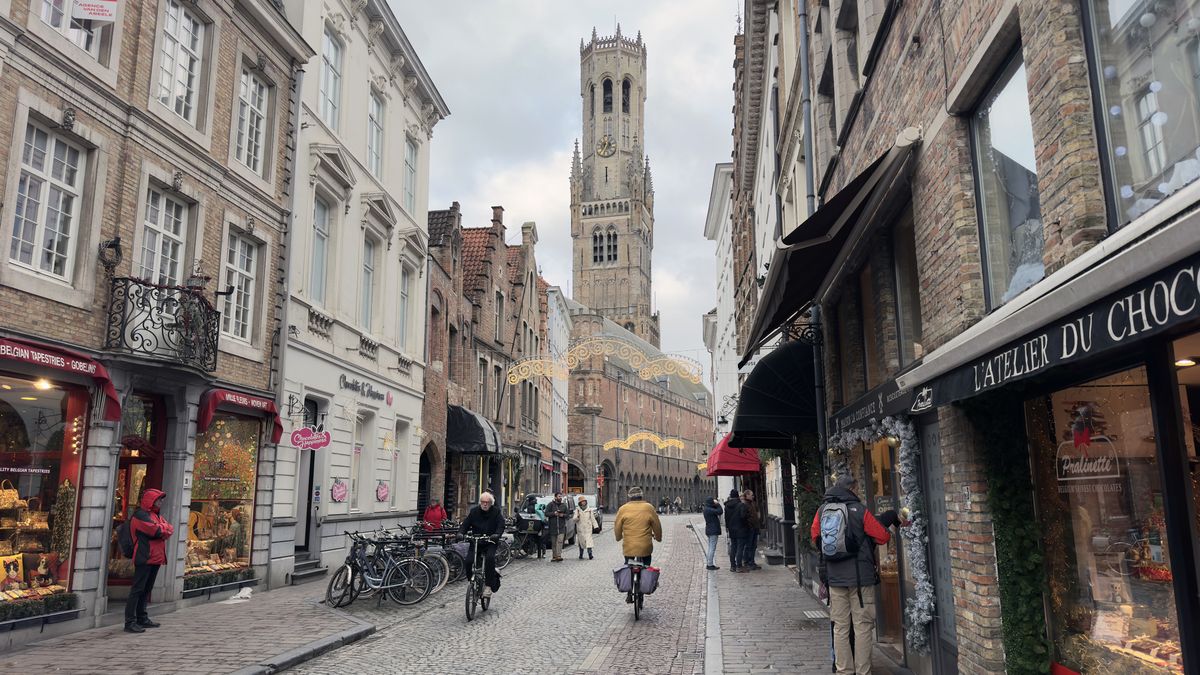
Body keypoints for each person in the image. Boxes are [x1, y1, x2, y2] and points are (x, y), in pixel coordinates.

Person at [810, 475, 901, 675]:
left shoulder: (822, 510)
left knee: (840, 627)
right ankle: (863, 671)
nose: (858, 491)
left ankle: (844, 671)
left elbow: (815, 537)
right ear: (851, 489)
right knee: (862, 627)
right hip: (860, 580)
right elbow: (882, 536)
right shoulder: (859, 510)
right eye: (857, 488)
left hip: (834, 578)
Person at [125, 488, 174, 633]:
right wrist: (163, 529)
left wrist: (163, 529)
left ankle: (142, 617)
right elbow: (157, 531)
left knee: (146, 589)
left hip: (156, 557)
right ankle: (130, 621)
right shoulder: (140, 515)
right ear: (151, 500)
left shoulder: (155, 515)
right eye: (159, 499)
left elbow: (169, 529)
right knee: (138, 589)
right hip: (144, 556)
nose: (161, 502)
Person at [613, 486, 662, 603]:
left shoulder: (623, 509)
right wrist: (658, 537)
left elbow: (617, 527)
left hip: (629, 546)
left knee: (628, 565)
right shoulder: (648, 508)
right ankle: (644, 585)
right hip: (645, 546)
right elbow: (657, 525)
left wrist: (619, 537)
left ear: (629, 497)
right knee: (645, 565)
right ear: (642, 496)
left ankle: (630, 592)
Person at [459, 490, 506, 599]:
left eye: (487, 502)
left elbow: (501, 525)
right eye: (483, 502)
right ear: (480, 502)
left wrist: (497, 534)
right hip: (476, 541)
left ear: (491, 503)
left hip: (490, 541)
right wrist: (461, 533)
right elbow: (466, 524)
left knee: (490, 559)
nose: (485, 504)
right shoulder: (474, 511)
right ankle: (471, 582)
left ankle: (488, 586)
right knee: (468, 561)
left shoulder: (496, 512)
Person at [545, 491, 574, 562]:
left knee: (560, 541)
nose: (560, 498)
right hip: (553, 527)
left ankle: (559, 555)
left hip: (561, 527)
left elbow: (568, 515)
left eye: (561, 496)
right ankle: (554, 556)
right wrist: (554, 513)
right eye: (559, 496)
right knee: (554, 543)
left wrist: (562, 515)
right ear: (555, 497)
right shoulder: (550, 505)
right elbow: (546, 513)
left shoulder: (564, 506)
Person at [723, 488, 747, 572]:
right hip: (740, 529)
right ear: (737, 496)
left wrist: (727, 528)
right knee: (740, 547)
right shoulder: (741, 505)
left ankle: (732, 566)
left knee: (733, 547)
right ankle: (739, 566)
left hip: (731, 529)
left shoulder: (727, 506)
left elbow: (726, 518)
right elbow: (743, 517)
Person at [741, 490, 762, 571]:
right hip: (750, 528)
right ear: (747, 495)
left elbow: (757, 513)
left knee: (753, 546)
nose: (753, 496)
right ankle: (748, 562)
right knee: (749, 546)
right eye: (751, 495)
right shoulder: (745, 505)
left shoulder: (753, 503)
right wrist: (749, 525)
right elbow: (744, 517)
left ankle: (752, 562)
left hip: (755, 527)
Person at [702, 496, 723, 570]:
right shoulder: (709, 509)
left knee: (710, 547)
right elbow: (720, 511)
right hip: (713, 530)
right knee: (712, 548)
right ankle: (710, 564)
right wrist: (717, 504)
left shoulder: (706, 509)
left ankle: (709, 562)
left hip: (709, 529)